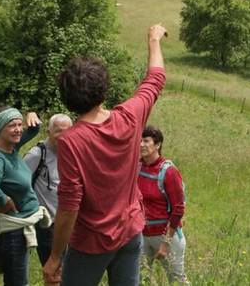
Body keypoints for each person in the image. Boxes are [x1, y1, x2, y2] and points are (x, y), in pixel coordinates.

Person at [43, 23, 168, 286]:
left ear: (67, 98)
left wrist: (55, 258)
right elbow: (155, 78)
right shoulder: (130, 117)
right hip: (131, 233)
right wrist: (153, 38)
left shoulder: (71, 141)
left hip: (91, 243)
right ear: (103, 88)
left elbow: (68, 208)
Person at [0, 107, 48, 286]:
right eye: (12, 125)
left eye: (19, 124)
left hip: (21, 226)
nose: (18, 129)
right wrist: (4, 200)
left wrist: (32, 114)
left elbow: (34, 129)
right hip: (13, 232)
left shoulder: (11, 147)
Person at [138, 126, 188, 284]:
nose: (141, 144)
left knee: (177, 280)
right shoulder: (137, 167)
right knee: (139, 279)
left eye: (146, 141)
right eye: (139, 140)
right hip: (141, 235)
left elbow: (178, 208)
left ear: (157, 145)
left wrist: (165, 243)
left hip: (166, 236)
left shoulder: (169, 171)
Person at [23, 113, 74, 266]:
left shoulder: (73, 153)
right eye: (58, 131)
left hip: (70, 222)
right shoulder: (37, 154)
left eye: (67, 131)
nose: (63, 135)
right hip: (47, 225)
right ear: (49, 132)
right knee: (54, 272)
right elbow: (20, 185)